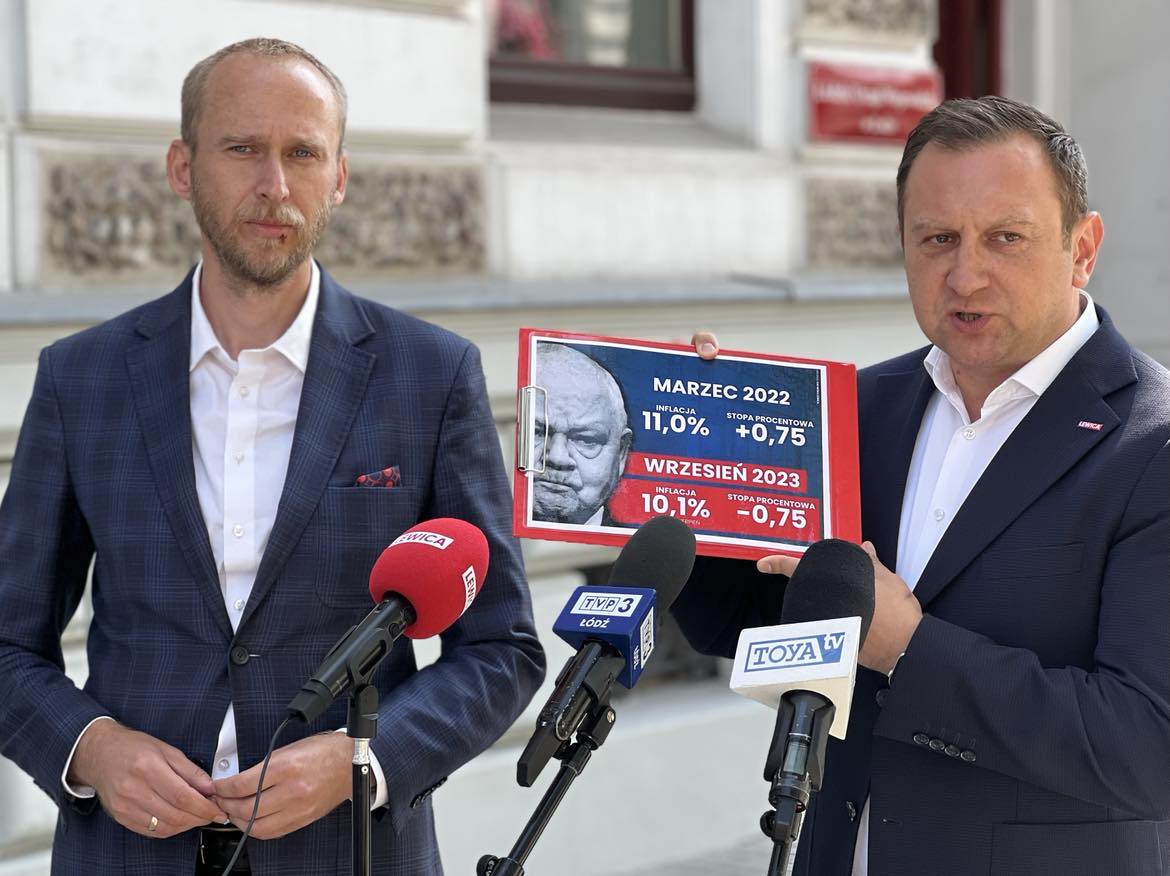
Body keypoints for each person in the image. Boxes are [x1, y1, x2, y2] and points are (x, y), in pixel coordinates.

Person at [0, 38, 545, 876]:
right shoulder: (82, 379)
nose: (275, 185)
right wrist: (92, 747)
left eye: (303, 153)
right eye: (243, 148)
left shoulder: (431, 376)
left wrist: (365, 760)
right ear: (182, 167)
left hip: (352, 853)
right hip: (128, 855)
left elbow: (502, 649)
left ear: (340, 176)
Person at [675, 96, 1170, 874]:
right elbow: (755, 621)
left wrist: (909, 650)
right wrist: (692, 468)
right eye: (937, 239)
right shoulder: (854, 410)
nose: (966, 275)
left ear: (1082, 249)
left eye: (1005, 238)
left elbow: (1147, 744)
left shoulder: (1152, 442)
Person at [531, 342, 633, 526]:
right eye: (537, 432)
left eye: (585, 439)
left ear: (621, 454)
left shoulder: (649, 544)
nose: (557, 458)